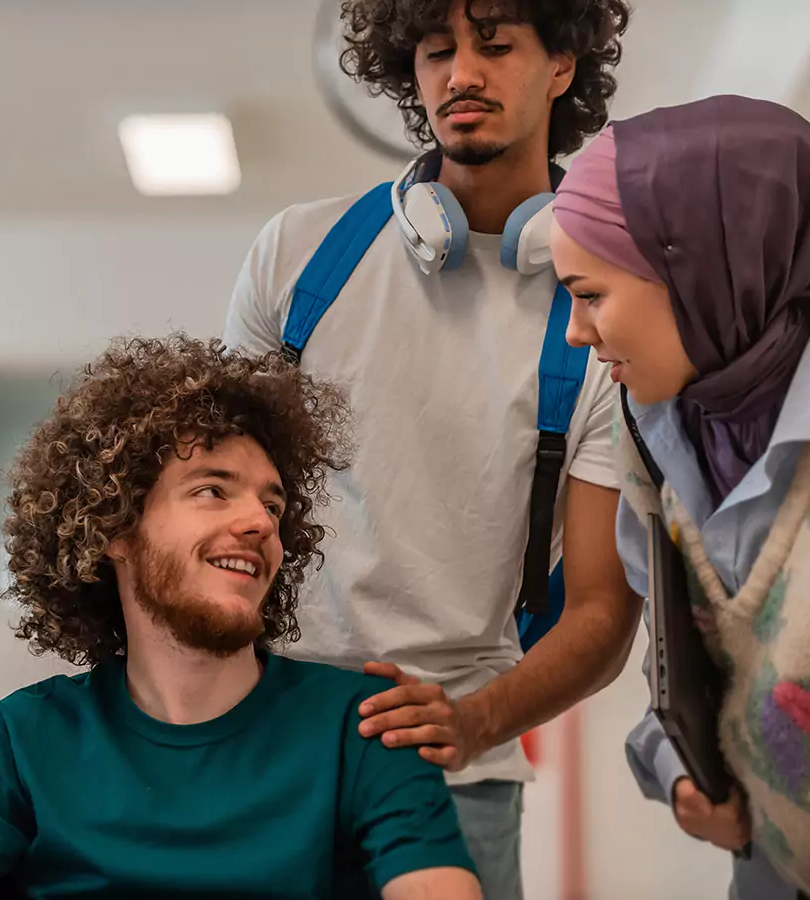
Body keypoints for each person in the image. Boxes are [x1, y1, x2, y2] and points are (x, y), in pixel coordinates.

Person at [224, 1, 639, 890]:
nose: (461, 74)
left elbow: (602, 613)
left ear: (562, 64)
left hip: (458, 776)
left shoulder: (601, 317)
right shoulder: (297, 257)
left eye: (496, 45)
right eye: (437, 51)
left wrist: (476, 721)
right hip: (266, 749)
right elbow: (212, 505)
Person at [0, 336, 481, 900]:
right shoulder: (24, 738)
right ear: (116, 529)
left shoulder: (370, 726)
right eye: (213, 490)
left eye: (272, 505)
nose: (260, 522)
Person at [552, 94, 810, 900]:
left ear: (695, 273)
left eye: (590, 295)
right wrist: (677, 768)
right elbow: (684, 662)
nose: (575, 333)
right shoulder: (656, 419)